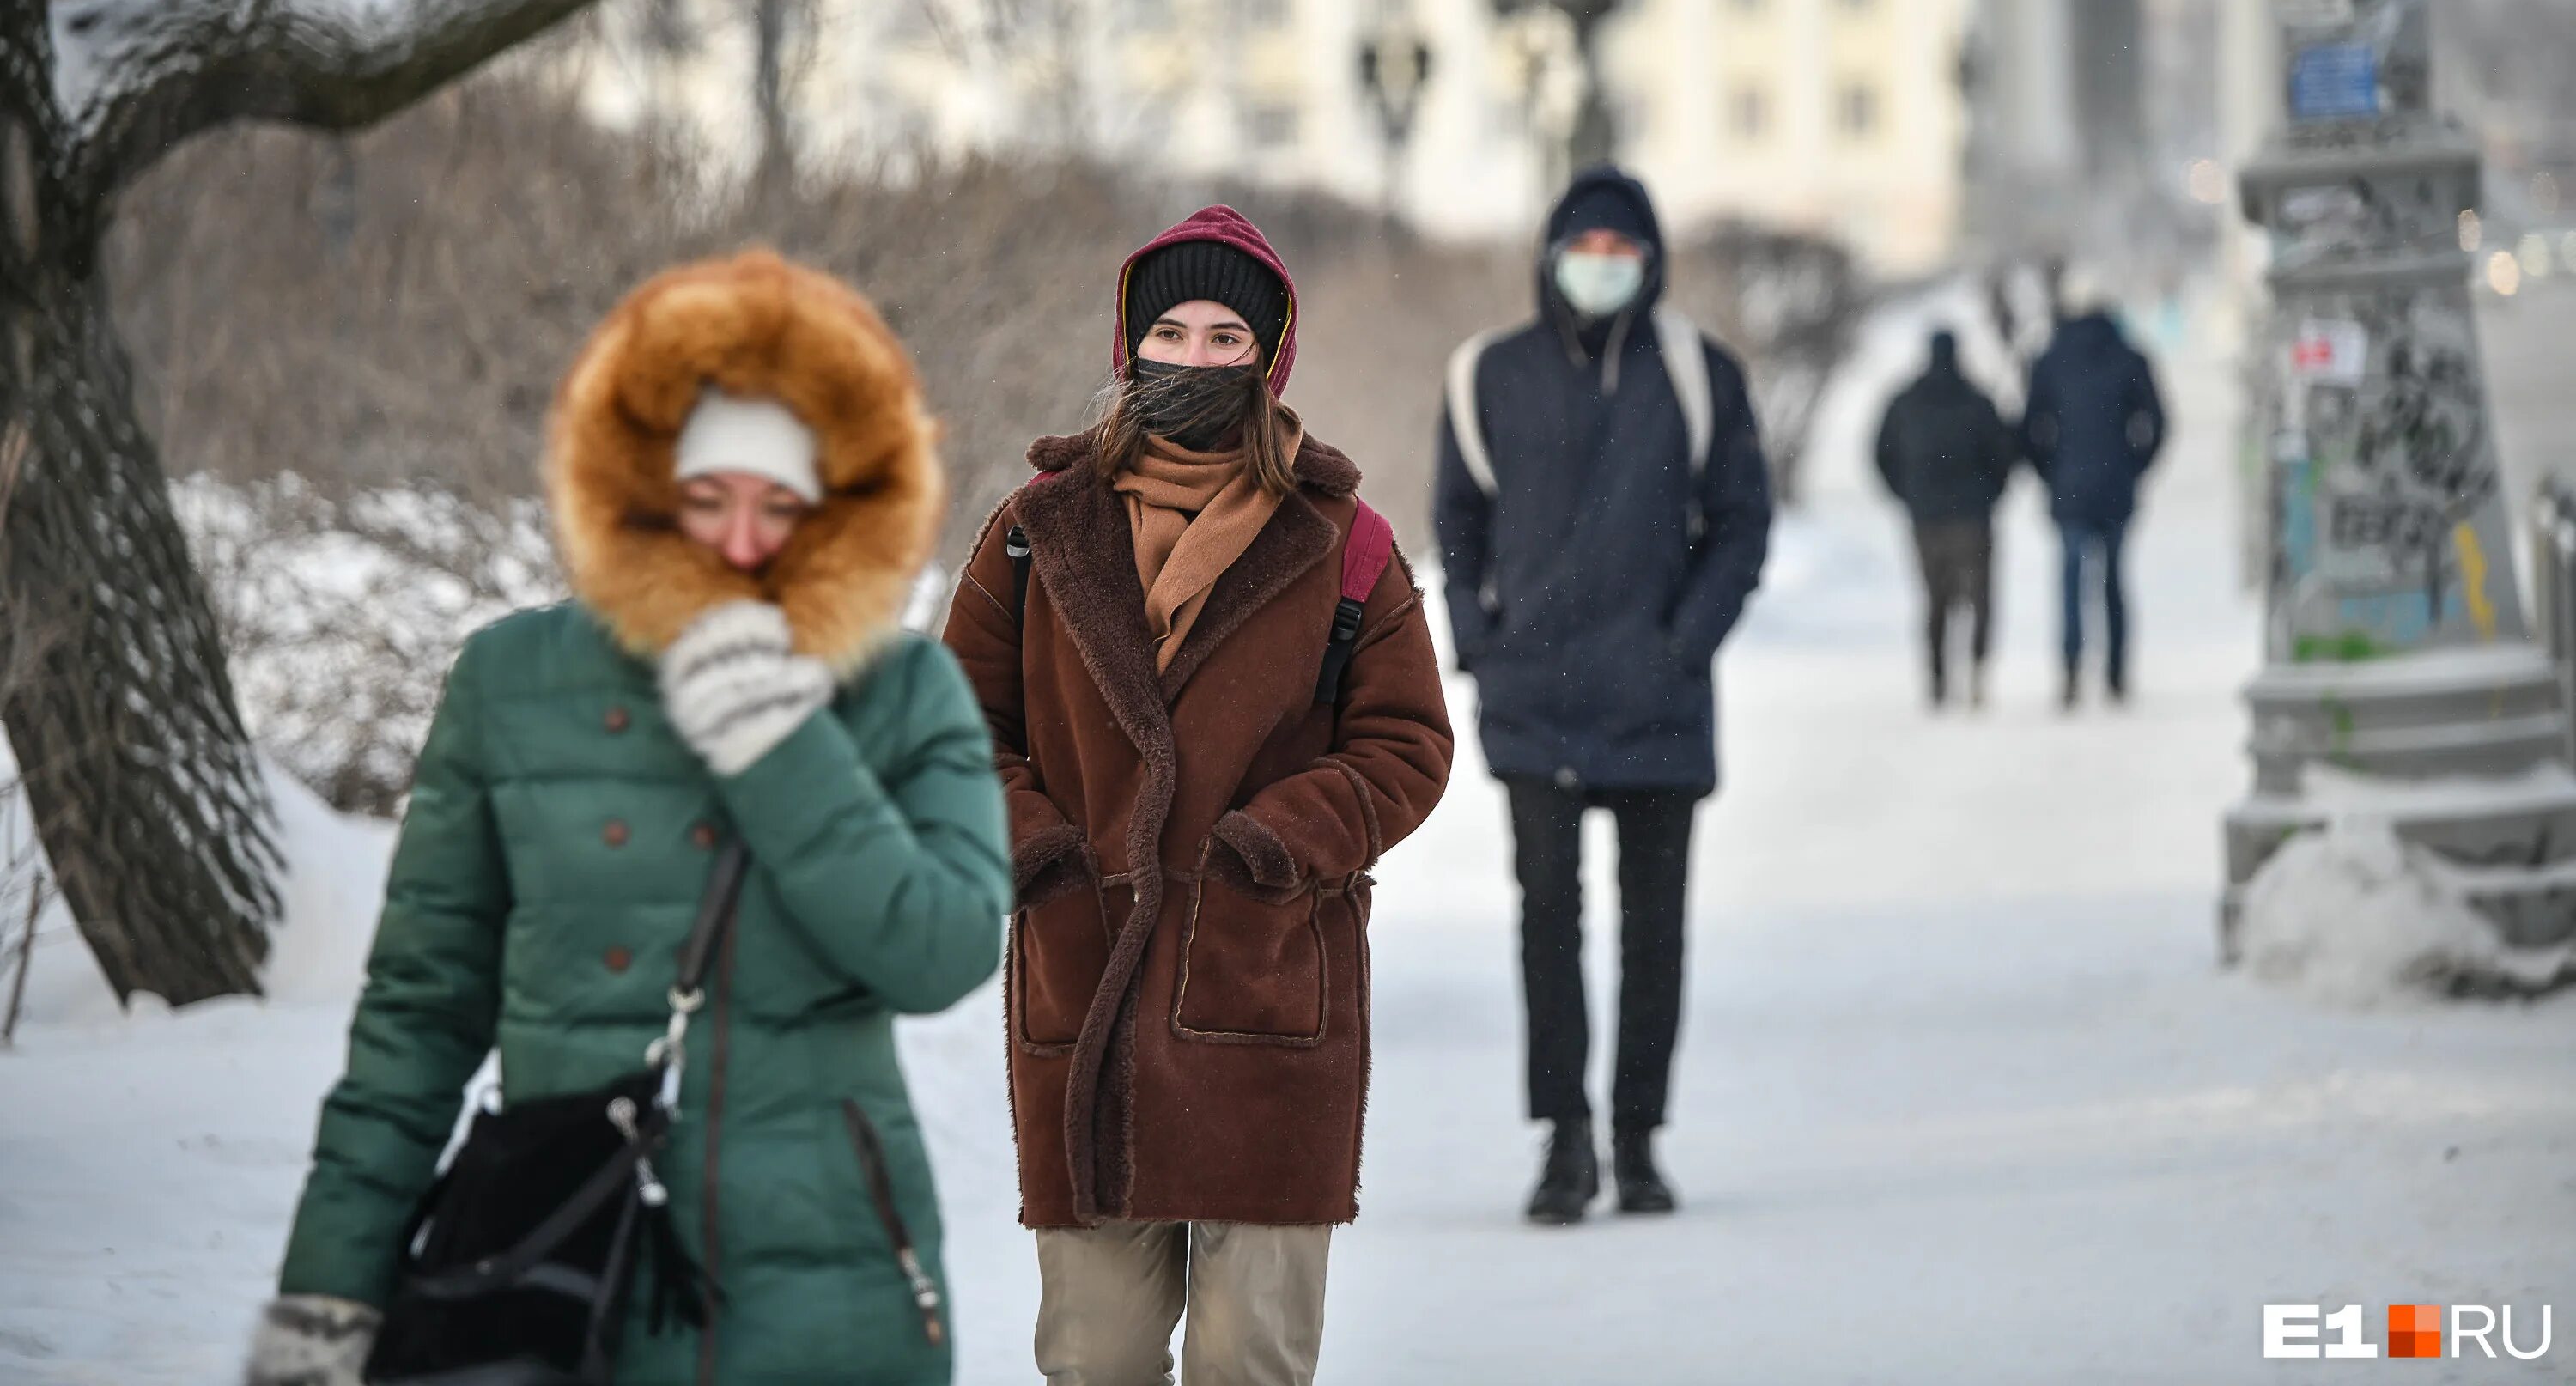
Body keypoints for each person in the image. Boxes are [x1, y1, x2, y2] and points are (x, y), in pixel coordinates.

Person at [250, 252, 1011, 1386]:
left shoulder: (899, 689)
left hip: (838, 1282)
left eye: (780, 505)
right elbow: (422, 1011)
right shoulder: (512, 682)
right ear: (646, 488)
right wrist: (331, 1281)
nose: (741, 543)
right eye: (708, 500)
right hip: (567, 1266)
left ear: (840, 509)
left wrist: (781, 748)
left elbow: (944, 952)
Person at [943, 206, 1453, 1386]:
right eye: (1171, 330)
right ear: (1129, 346)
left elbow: (1408, 742)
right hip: (1090, 983)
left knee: (1251, 1360)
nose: (1195, 357)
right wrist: (1040, 854)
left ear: (1269, 357)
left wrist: (1273, 846)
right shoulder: (1033, 534)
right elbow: (952, 731)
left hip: (1266, 986)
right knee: (1095, 1358)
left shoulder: (1347, 541)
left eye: (1228, 336)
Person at [1432, 165, 1771, 1226]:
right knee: (1547, 920)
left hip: (1657, 698)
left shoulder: (1698, 370)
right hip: (1534, 700)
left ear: (1652, 262)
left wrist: (1687, 641)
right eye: (1588, 248)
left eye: (1625, 252)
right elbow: (1455, 518)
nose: (1603, 267)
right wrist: (1480, 641)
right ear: (1551, 255)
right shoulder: (1488, 372)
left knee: (1654, 925)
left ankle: (1638, 1136)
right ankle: (1564, 1140)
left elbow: (1743, 521)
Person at [2022, 271, 2167, 708]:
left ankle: (2070, 671)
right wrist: (2134, 465)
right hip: (2115, 487)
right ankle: (2117, 673)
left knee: (2070, 583)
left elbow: (2030, 426)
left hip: (2068, 488)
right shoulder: (2129, 357)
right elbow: (2158, 423)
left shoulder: (2050, 358)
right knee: (2115, 582)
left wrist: (2050, 470)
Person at [1873, 328, 2020, 709]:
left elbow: (1881, 454)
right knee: (1979, 598)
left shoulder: (1906, 401)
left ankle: (1938, 677)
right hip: (1972, 518)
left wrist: (1908, 496)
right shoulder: (1977, 401)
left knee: (1935, 599)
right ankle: (1976, 668)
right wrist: (1988, 497)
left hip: (1926, 519)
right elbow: (2003, 455)